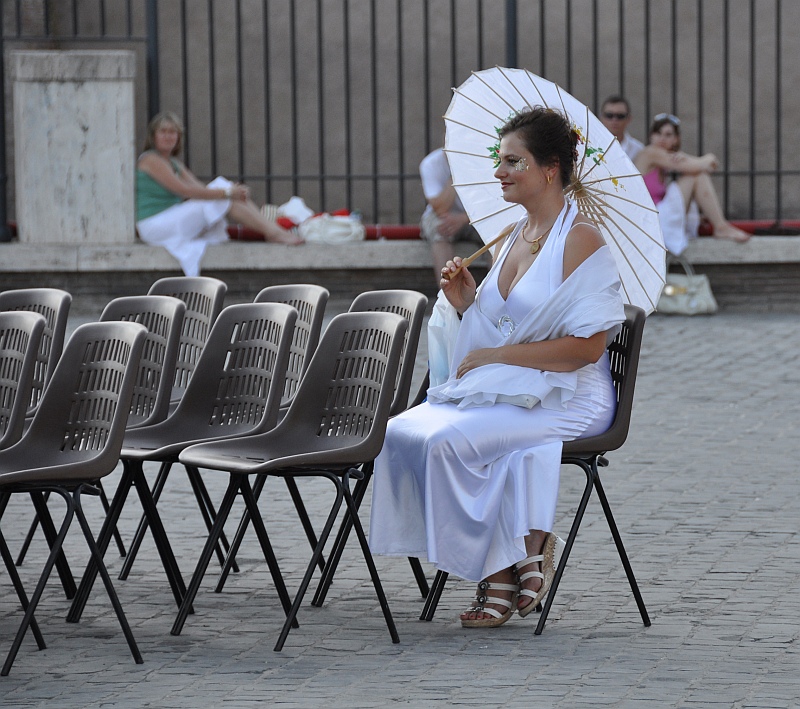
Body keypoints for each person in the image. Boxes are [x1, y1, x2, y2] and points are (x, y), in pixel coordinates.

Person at [369, 108, 626, 628]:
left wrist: (496, 356)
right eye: (499, 159)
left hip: (572, 394)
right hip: (515, 387)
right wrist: (466, 302)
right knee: (403, 430)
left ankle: (498, 568)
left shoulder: (581, 240)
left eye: (513, 161)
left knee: (447, 440)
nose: (499, 171)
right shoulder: (511, 234)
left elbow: (587, 349)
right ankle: (519, 552)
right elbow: (501, 327)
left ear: (550, 169)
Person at [135, 111, 302, 277]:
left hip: (170, 219)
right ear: (153, 136)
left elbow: (200, 188)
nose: (168, 136)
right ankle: (273, 232)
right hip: (155, 224)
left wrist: (231, 192)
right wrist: (227, 193)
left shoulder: (173, 163)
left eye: (172, 132)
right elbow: (184, 190)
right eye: (163, 132)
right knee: (225, 195)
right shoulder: (150, 159)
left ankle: (273, 231)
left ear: (178, 137)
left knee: (226, 192)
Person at [634, 113, 749, 254]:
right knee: (697, 176)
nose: (662, 138)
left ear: (676, 139)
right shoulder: (650, 153)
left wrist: (689, 159)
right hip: (650, 221)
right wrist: (709, 157)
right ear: (651, 136)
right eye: (658, 133)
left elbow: (704, 166)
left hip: (656, 217)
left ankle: (720, 226)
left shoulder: (664, 160)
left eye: (668, 134)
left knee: (697, 174)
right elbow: (699, 166)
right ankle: (720, 226)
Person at [419, 148, 482, 283]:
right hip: (445, 216)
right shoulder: (431, 163)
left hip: (475, 216)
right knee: (440, 228)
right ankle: (447, 293)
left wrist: (464, 218)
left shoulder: (483, 162)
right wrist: (455, 173)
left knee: (495, 231)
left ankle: (499, 295)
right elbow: (440, 208)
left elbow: (493, 203)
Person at [599, 95, 644, 161]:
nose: (614, 120)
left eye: (620, 116)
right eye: (609, 115)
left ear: (629, 119)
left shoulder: (638, 150)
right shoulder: (591, 146)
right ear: (601, 118)